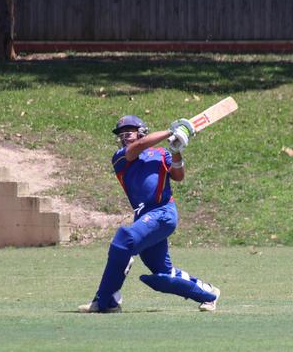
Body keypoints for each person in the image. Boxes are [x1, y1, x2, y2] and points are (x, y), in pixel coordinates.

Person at [78, 115, 220, 313]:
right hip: (144, 218)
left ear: (142, 131)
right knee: (163, 274)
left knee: (123, 241)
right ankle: (208, 293)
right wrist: (173, 131)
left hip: (163, 212)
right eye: (121, 134)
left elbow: (178, 176)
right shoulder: (120, 156)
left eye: (129, 132)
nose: (124, 136)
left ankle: (106, 301)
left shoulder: (161, 154)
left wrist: (177, 150)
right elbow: (140, 146)